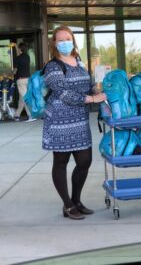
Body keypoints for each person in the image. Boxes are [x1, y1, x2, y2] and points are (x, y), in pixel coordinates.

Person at [42, 26, 106, 220]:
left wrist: (96, 91)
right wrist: (92, 100)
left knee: (84, 161)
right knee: (61, 163)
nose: (64, 43)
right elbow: (63, 93)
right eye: (60, 40)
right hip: (60, 121)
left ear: (73, 41)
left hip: (79, 120)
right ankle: (68, 205)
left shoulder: (78, 61)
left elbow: (88, 83)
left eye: (67, 39)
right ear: (54, 43)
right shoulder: (53, 66)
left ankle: (77, 201)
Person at [13, 42, 36, 122]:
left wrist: (12, 72)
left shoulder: (17, 59)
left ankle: (30, 115)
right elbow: (19, 55)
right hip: (28, 79)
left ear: (20, 49)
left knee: (25, 98)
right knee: (21, 98)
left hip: (21, 80)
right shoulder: (27, 57)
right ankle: (17, 115)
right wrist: (16, 47)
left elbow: (15, 71)